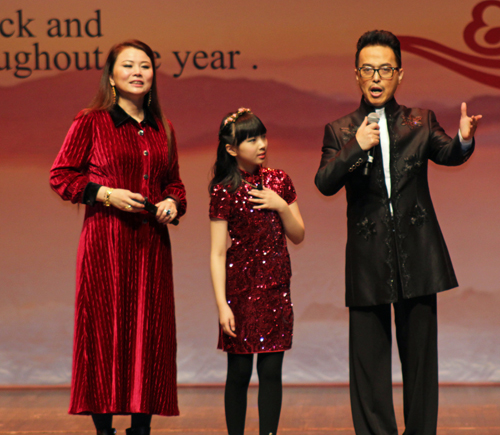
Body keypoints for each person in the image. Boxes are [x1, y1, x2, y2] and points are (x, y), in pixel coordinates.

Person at [314, 30, 481, 435]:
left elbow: (448, 153)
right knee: (369, 364)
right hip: (368, 259)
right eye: (368, 69)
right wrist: (356, 146)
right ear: (357, 75)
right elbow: (324, 182)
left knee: (421, 360)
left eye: (385, 69)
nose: (376, 77)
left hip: (419, 254)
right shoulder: (340, 130)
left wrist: (463, 138)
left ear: (399, 75)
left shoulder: (420, 121)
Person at [50, 40, 186, 435]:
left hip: (150, 246)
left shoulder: (164, 127)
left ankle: (140, 428)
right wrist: (105, 194)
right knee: (105, 332)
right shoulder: (91, 121)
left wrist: (173, 204)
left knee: (149, 333)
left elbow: (174, 183)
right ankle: (104, 430)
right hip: (105, 243)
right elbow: (61, 176)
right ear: (111, 75)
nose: (138, 72)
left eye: (145, 65)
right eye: (128, 65)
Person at [209, 108, 305, 435]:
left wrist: (280, 204)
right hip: (239, 292)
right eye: (251, 139)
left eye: (262, 136)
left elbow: (298, 234)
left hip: (275, 288)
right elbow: (218, 251)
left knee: (271, 372)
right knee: (238, 373)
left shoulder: (279, 180)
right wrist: (222, 304)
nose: (261, 144)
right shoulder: (223, 190)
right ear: (231, 148)